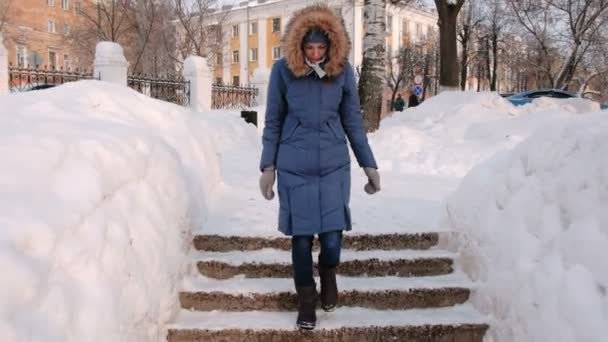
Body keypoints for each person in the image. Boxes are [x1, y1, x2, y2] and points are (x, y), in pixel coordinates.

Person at [258, 4, 380, 331]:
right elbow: (273, 122)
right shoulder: (282, 71)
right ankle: (306, 298)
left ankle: (327, 271)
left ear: (331, 45)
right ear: (299, 46)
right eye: (309, 47)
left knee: (331, 239)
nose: (314, 54)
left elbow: (353, 121)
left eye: (320, 47)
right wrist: (268, 166)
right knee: (300, 239)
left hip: (333, 166)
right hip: (294, 166)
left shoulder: (343, 72)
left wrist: (368, 164)